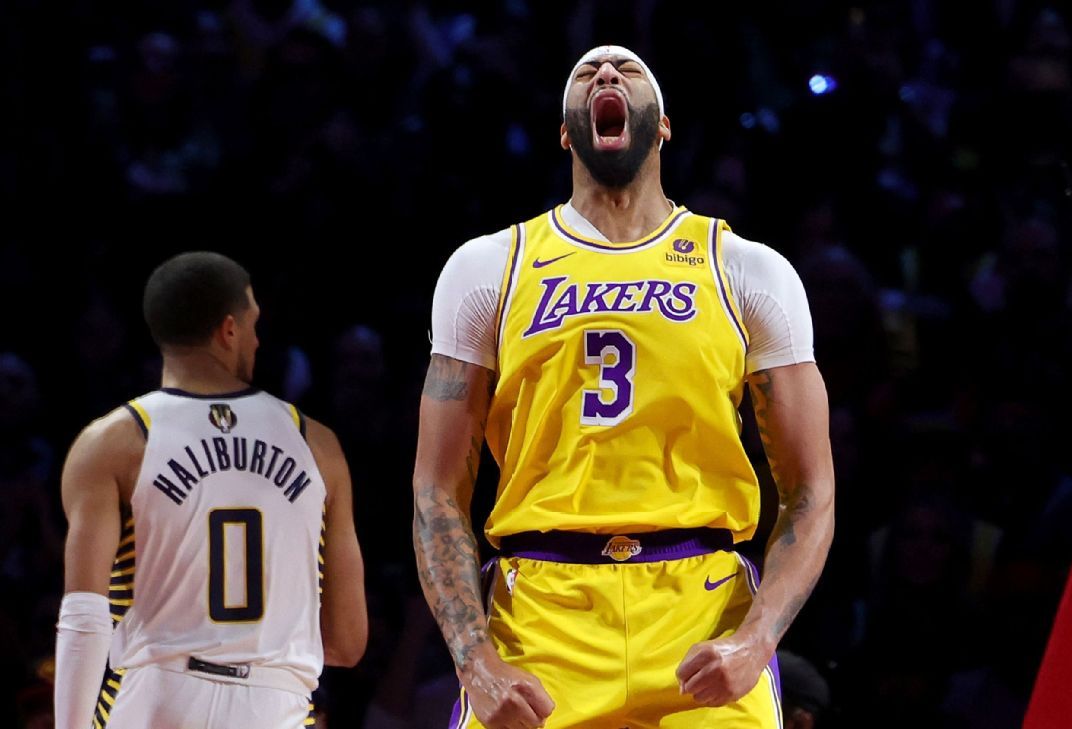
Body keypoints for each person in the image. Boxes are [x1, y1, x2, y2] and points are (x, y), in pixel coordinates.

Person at [414, 45, 834, 728]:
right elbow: (436, 491)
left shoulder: (747, 270)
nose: (606, 72)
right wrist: (473, 660)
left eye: (628, 69)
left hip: (702, 612)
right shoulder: (489, 267)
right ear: (565, 132)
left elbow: (812, 490)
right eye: (586, 72)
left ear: (662, 124)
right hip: (541, 616)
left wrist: (757, 639)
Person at [54, 251, 367, 729]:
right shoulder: (316, 444)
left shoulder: (113, 441)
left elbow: (85, 616)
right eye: (253, 324)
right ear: (229, 329)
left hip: (158, 696)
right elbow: (346, 641)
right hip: (275, 702)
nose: (258, 340)